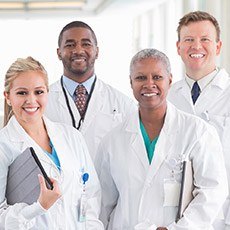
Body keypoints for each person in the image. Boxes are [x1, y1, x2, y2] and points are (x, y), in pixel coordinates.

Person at [95, 48, 228, 229]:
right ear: (131, 82)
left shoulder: (197, 132)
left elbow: (213, 191)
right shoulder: (112, 141)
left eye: (157, 77)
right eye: (141, 78)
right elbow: (103, 203)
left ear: (170, 80)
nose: (149, 84)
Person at [0, 57, 104, 229]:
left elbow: (91, 195)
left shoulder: (71, 136)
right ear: (8, 97)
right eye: (22, 93)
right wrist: (38, 208)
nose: (31, 100)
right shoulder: (4, 145)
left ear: (47, 93)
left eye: (39, 92)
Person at [167, 11, 230, 229]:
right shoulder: (167, 97)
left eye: (205, 39)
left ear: (218, 47)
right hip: (172, 216)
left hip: (221, 218)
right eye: (189, 40)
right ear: (178, 47)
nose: (197, 46)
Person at [44, 21, 136, 161]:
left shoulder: (124, 104)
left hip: (105, 182)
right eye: (70, 45)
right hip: (60, 182)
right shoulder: (43, 102)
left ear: (97, 51)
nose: (78, 50)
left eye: (86, 44)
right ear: (59, 53)